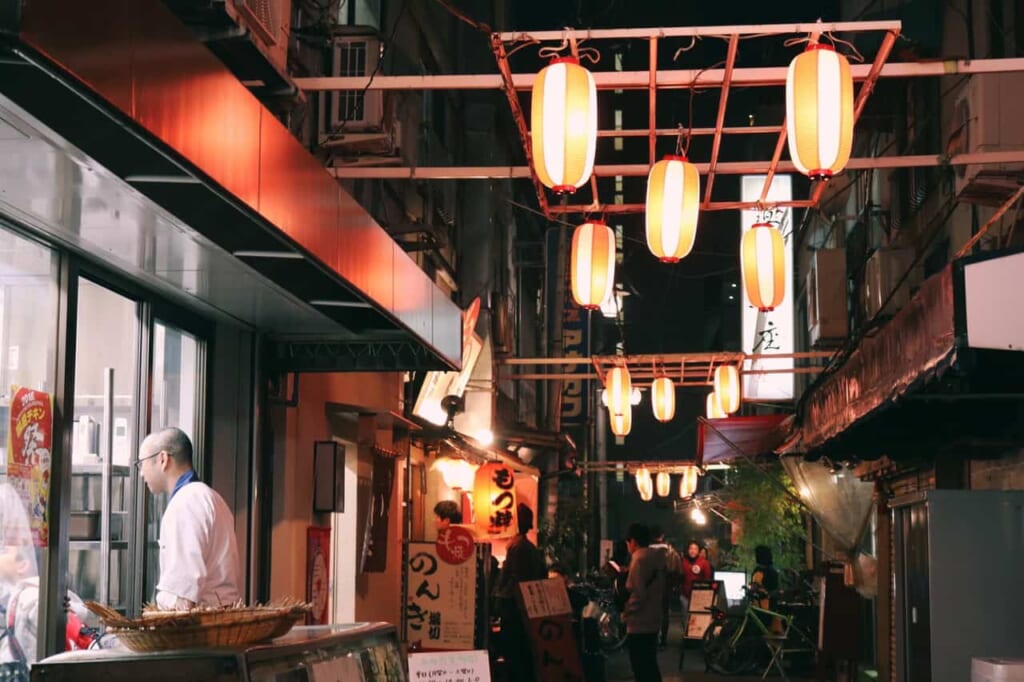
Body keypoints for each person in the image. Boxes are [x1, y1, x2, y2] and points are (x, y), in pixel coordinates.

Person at [137, 427, 241, 610]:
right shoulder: (213, 497)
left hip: (200, 629)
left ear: (163, 459)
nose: (141, 473)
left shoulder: (185, 503)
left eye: (141, 463)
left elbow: (184, 598)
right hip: (223, 618)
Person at [0, 483, 96, 669]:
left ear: (23, 565)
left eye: (3, 549)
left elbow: (77, 621)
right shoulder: (13, 593)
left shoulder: (30, 598)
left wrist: (69, 610)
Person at [494, 504, 546, 682]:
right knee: (523, 656)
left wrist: (500, 599)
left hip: (515, 610)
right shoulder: (528, 548)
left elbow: (515, 580)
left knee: (515, 656)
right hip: (526, 609)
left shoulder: (518, 547)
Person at [622, 523, 666, 682]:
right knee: (650, 665)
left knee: (640, 667)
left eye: (628, 542)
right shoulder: (657, 558)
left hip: (639, 622)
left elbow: (638, 594)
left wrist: (627, 611)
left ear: (633, 541)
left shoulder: (639, 559)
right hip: (654, 619)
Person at [648, 524, 681, 648]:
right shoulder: (671, 552)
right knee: (664, 614)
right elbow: (678, 571)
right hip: (665, 588)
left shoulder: (645, 551)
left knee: (650, 614)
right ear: (662, 536)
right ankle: (663, 641)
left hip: (649, 589)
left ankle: (652, 639)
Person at [679, 541, 712, 622]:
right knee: (685, 620)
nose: (692, 551)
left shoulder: (704, 563)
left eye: (695, 549)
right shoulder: (683, 561)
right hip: (685, 596)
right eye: (691, 548)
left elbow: (708, 580)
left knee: (697, 621)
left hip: (699, 597)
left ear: (698, 551)